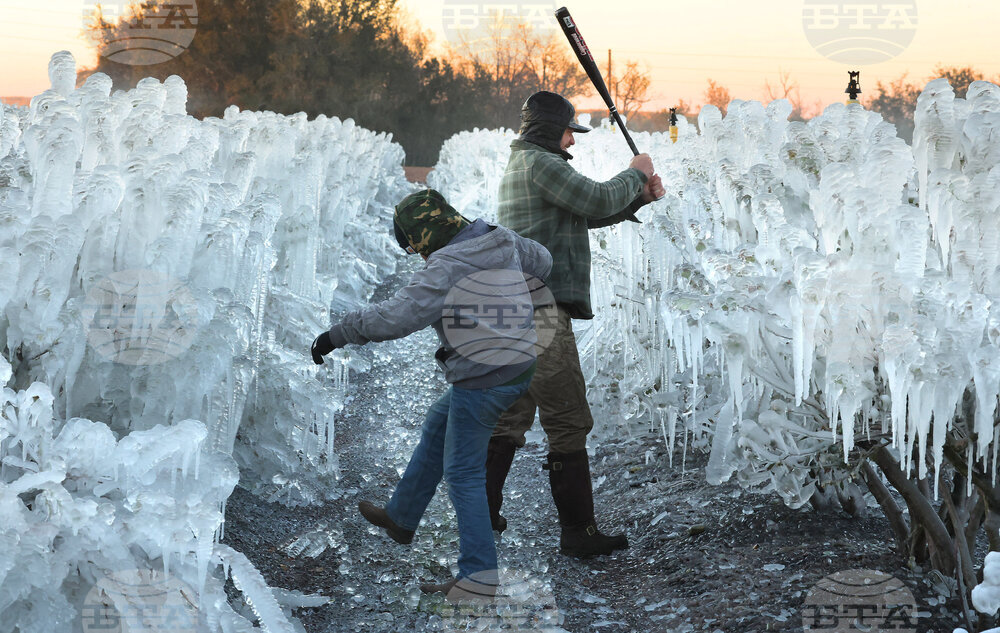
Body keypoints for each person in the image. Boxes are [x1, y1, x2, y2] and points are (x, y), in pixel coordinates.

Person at [311, 188, 553, 600]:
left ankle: (478, 579)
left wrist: (338, 333)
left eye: (412, 246)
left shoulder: (446, 266)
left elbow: (396, 317)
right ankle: (401, 516)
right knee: (439, 422)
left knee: (463, 474)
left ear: (424, 235)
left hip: (485, 376)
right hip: (519, 363)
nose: (416, 255)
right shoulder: (497, 237)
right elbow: (543, 261)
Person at [486, 91, 666, 557]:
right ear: (551, 130)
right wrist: (637, 172)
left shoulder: (527, 164)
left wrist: (638, 200)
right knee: (567, 418)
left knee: (510, 416)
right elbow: (595, 197)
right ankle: (579, 534)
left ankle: (480, 515)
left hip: (518, 307)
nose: (573, 140)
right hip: (539, 312)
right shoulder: (541, 164)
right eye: (569, 131)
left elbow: (580, 216)